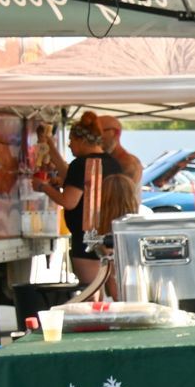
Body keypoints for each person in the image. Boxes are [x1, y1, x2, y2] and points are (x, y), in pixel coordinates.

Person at [37, 116, 129, 292]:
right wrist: (50, 145)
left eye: (71, 140)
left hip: (87, 239)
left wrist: (43, 187)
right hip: (110, 237)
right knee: (115, 293)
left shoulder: (81, 165)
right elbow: (75, 179)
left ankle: (98, 320)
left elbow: (69, 202)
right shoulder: (112, 163)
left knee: (91, 293)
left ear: (81, 140)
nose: (70, 145)